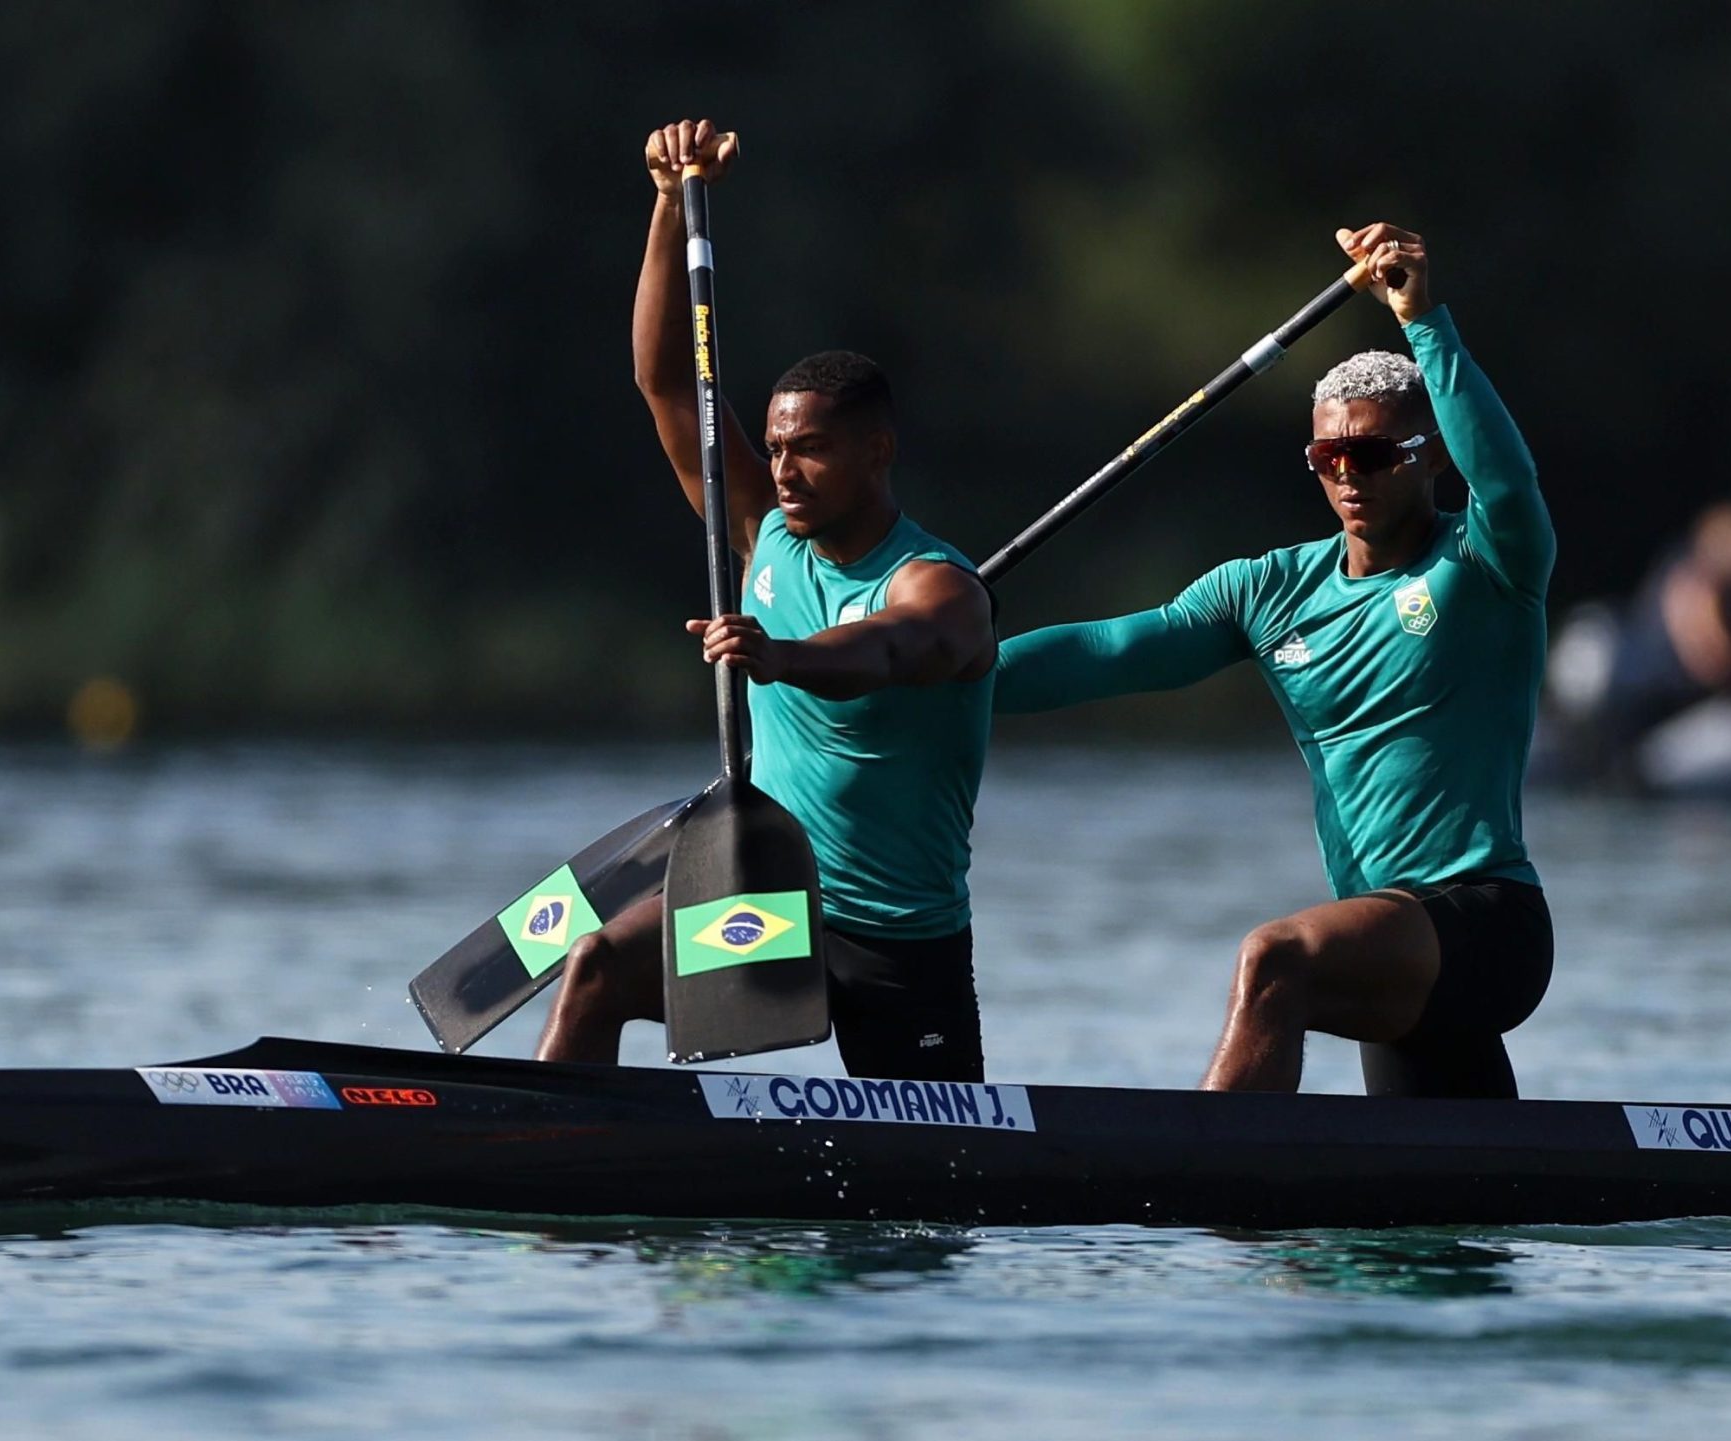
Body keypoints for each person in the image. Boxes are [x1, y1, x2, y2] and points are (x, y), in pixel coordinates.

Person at [995, 225, 1553, 1099]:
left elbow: (1510, 484)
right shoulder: (1268, 590)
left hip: (1485, 922)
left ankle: (1198, 1189)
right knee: (1437, 1228)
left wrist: (1424, 319)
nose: (1346, 476)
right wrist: (947, 679)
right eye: (1327, 456)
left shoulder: (1487, 564)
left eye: (1371, 454)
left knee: (1276, 957)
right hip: (1388, 932)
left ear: (1430, 454)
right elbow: (1111, 651)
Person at [535, 119, 998, 1082]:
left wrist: (782, 656)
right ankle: (550, 1153)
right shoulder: (764, 533)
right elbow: (663, 379)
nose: (783, 469)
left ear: (878, 450)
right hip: (773, 911)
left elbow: (888, 649)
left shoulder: (940, 585)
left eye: (811, 449)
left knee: (920, 1217)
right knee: (595, 964)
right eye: (777, 448)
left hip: (897, 942)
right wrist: (669, 202)